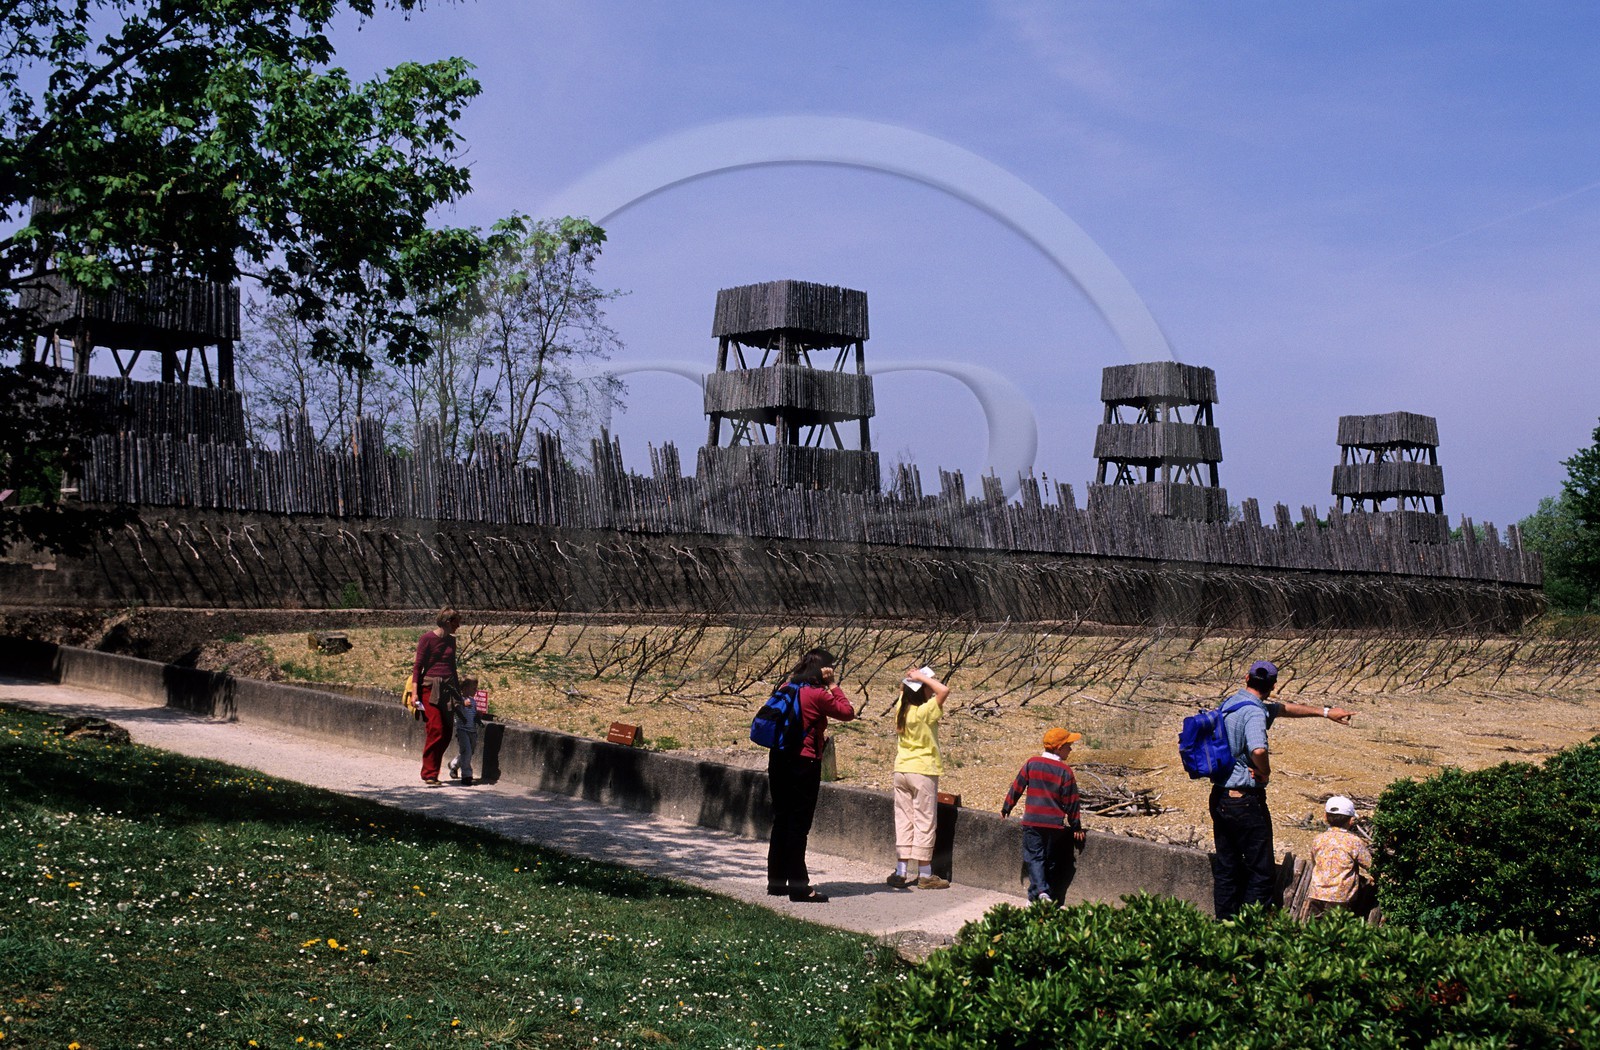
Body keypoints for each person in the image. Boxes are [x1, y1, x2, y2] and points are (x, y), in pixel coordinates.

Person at [1209, 660, 1355, 920]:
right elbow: (1258, 749)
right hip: (1244, 802)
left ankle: (1223, 925)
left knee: (1227, 867)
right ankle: (1248, 931)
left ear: (1246, 678)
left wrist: (1325, 712)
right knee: (1261, 872)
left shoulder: (1231, 703)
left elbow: (1283, 709)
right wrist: (1264, 771)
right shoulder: (1254, 713)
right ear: (1273, 686)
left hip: (1220, 797)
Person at [767, 647, 859, 903]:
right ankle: (799, 887)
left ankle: (776, 881)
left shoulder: (787, 687)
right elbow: (847, 712)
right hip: (803, 763)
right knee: (799, 825)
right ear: (824, 670)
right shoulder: (817, 694)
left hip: (778, 759)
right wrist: (833, 684)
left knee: (781, 820)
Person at [1001, 727, 1085, 905]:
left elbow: (1017, 786)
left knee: (1034, 858)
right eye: (1068, 745)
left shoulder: (1032, 763)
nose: (1071, 749)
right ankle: (1041, 895)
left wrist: (1007, 807)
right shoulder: (1065, 772)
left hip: (1032, 821)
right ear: (1058, 748)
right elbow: (1071, 801)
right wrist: (1076, 825)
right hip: (1054, 824)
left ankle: (1040, 894)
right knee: (1049, 860)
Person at [886, 666, 951, 890]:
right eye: (927, 689)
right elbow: (944, 691)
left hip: (901, 769)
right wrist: (922, 677)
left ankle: (901, 871)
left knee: (903, 818)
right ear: (921, 691)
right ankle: (925, 873)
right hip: (923, 770)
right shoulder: (924, 712)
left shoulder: (901, 709)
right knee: (925, 819)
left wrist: (911, 678)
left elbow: (903, 690)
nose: (931, 692)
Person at [413, 608, 462, 788]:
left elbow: (453, 667)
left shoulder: (451, 641)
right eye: (457, 621)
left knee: (447, 732)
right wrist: (415, 692)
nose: (459, 625)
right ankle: (429, 773)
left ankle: (433, 768)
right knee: (436, 729)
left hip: (448, 690)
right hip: (429, 688)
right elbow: (418, 667)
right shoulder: (427, 639)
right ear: (448, 621)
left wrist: (459, 694)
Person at [1306, 795, 1373, 918]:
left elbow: (1314, 862)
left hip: (1317, 893)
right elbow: (1370, 865)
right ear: (1351, 820)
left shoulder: (1318, 839)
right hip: (1341, 896)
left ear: (1325, 817)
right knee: (1338, 930)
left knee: (1316, 930)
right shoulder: (1353, 841)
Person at [447, 681, 481, 787]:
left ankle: (454, 764)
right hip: (462, 730)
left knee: (470, 752)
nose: (475, 691)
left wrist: (478, 716)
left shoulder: (473, 701)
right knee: (467, 751)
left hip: (472, 731)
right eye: (473, 688)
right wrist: (462, 703)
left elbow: (473, 715)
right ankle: (466, 775)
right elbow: (454, 708)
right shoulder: (459, 699)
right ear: (465, 688)